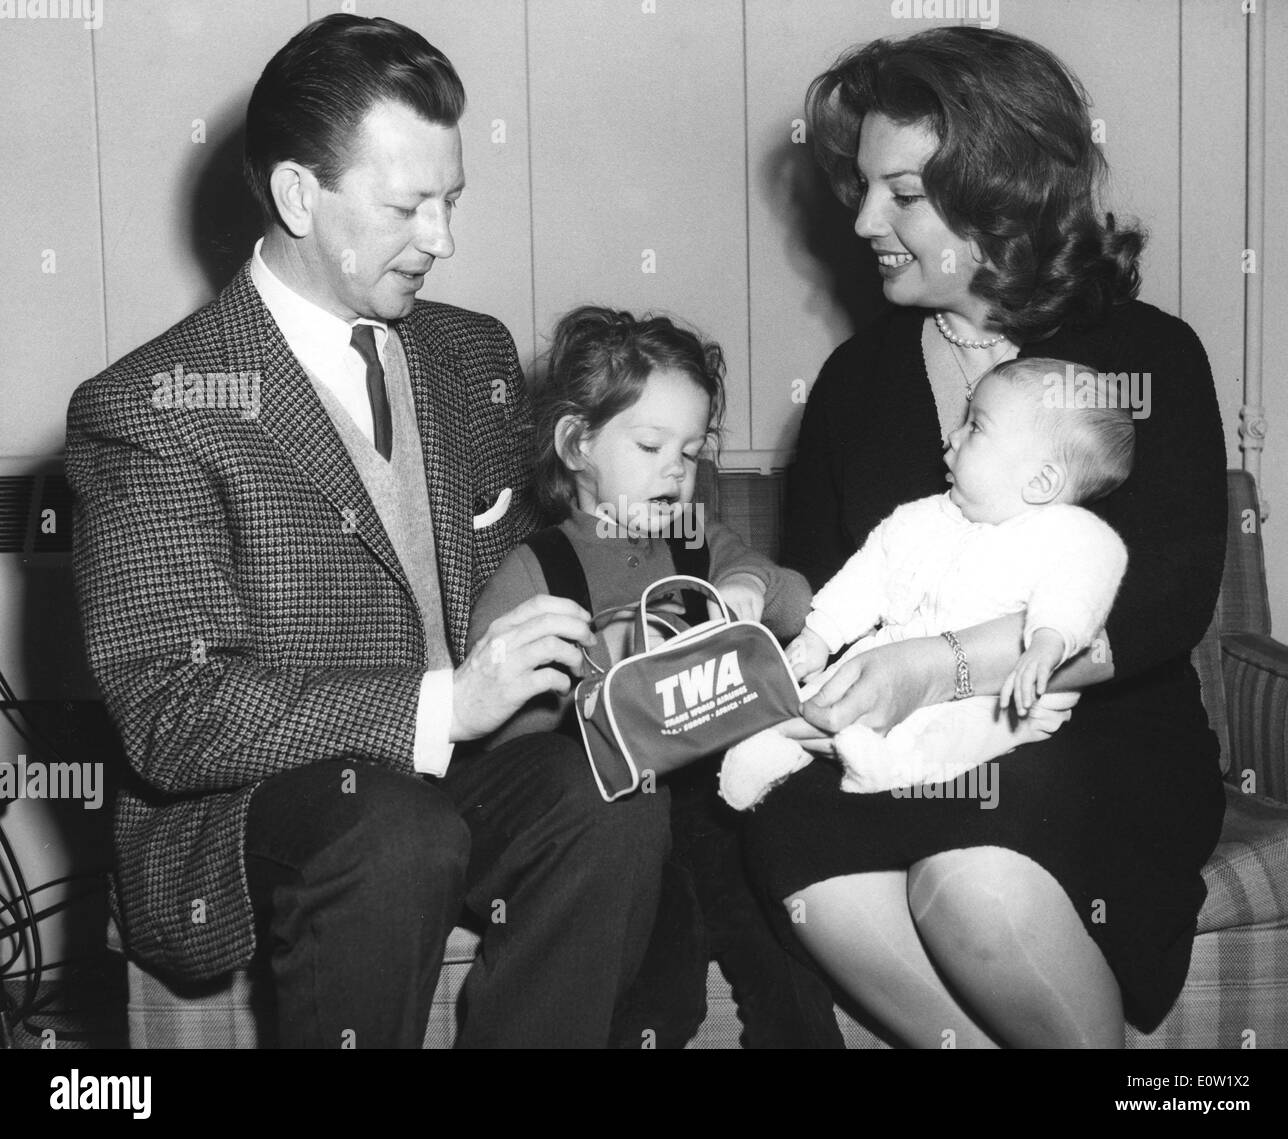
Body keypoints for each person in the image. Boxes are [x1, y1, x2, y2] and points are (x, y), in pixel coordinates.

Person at [64, 14, 670, 1049]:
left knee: (614, 798)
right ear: (300, 194)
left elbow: (540, 565)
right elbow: (170, 711)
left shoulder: (468, 353)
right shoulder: (153, 405)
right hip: (256, 808)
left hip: (464, 771)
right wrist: (444, 702)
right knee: (396, 832)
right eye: (407, 206)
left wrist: (627, 636)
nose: (442, 239)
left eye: (452, 201)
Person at [745, 26, 1227, 1047]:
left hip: (1095, 734)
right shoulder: (854, 383)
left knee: (971, 882)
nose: (866, 216)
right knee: (805, 863)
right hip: (901, 743)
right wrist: (748, 603)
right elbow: (829, 594)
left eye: (905, 193)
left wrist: (945, 663)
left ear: (1004, 193)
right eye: (864, 185)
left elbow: (1163, 601)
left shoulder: (1142, 359)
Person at [466, 305, 843, 1048]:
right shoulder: (536, 569)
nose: (678, 468)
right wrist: (549, 683)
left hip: (723, 803)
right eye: (650, 444)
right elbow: (503, 747)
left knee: (786, 959)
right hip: (624, 818)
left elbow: (800, 599)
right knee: (661, 988)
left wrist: (748, 587)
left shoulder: (696, 537)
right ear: (576, 443)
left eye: (692, 448)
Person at [721, 358, 1131, 810]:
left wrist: (1048, 641)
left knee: (962, 730)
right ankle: (765, 748)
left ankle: (895, 766)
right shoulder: (925, 516)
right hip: (894, 649)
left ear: (1041, 480)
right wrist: (821, 634)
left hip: (990, 690)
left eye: (976, 428)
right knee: (822, 690)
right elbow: (869, 573)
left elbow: (1080, 590)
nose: (952, 437)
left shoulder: (1073, 536)